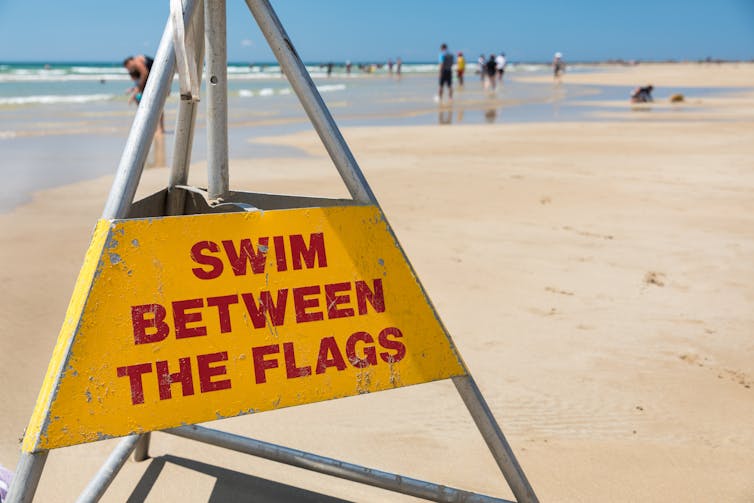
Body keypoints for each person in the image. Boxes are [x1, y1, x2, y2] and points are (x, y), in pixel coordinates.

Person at [123, 54, 164, 133]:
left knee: (157, 105)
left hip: (156, 81)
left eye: (128, 67)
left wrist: (138, 88)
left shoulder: (137, 62)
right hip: (158, 79)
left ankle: (159, 128)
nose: (129, 69)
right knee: (156, 105)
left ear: (129, 62)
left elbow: (144, 73)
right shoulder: (140, 61)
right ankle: (158, 127)